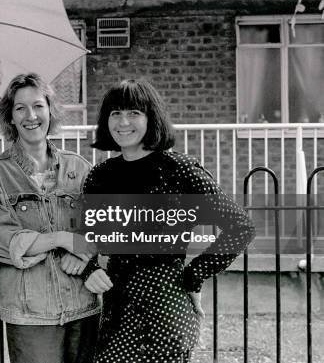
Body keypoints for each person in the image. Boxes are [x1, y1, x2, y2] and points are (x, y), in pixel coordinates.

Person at [82, 78, 256, 363]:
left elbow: (240, 227)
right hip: (117, 311)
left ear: (152, 118)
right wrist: (89, 269)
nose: (123, 122)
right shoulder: (100, 177)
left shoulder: (180, 171)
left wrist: (193, 276)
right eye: (115, 113)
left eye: (134, 112)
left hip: (165, 310)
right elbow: (87, 239)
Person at [0, 73, 100, 363]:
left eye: (38, 105)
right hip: (29, 312)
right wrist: (61, 238)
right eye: (20, 108)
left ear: (51, 111)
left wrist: (85, 255)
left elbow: (101, 227)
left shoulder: (79, 167)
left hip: (82, 304)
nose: (31, 116)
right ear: (10, 117)